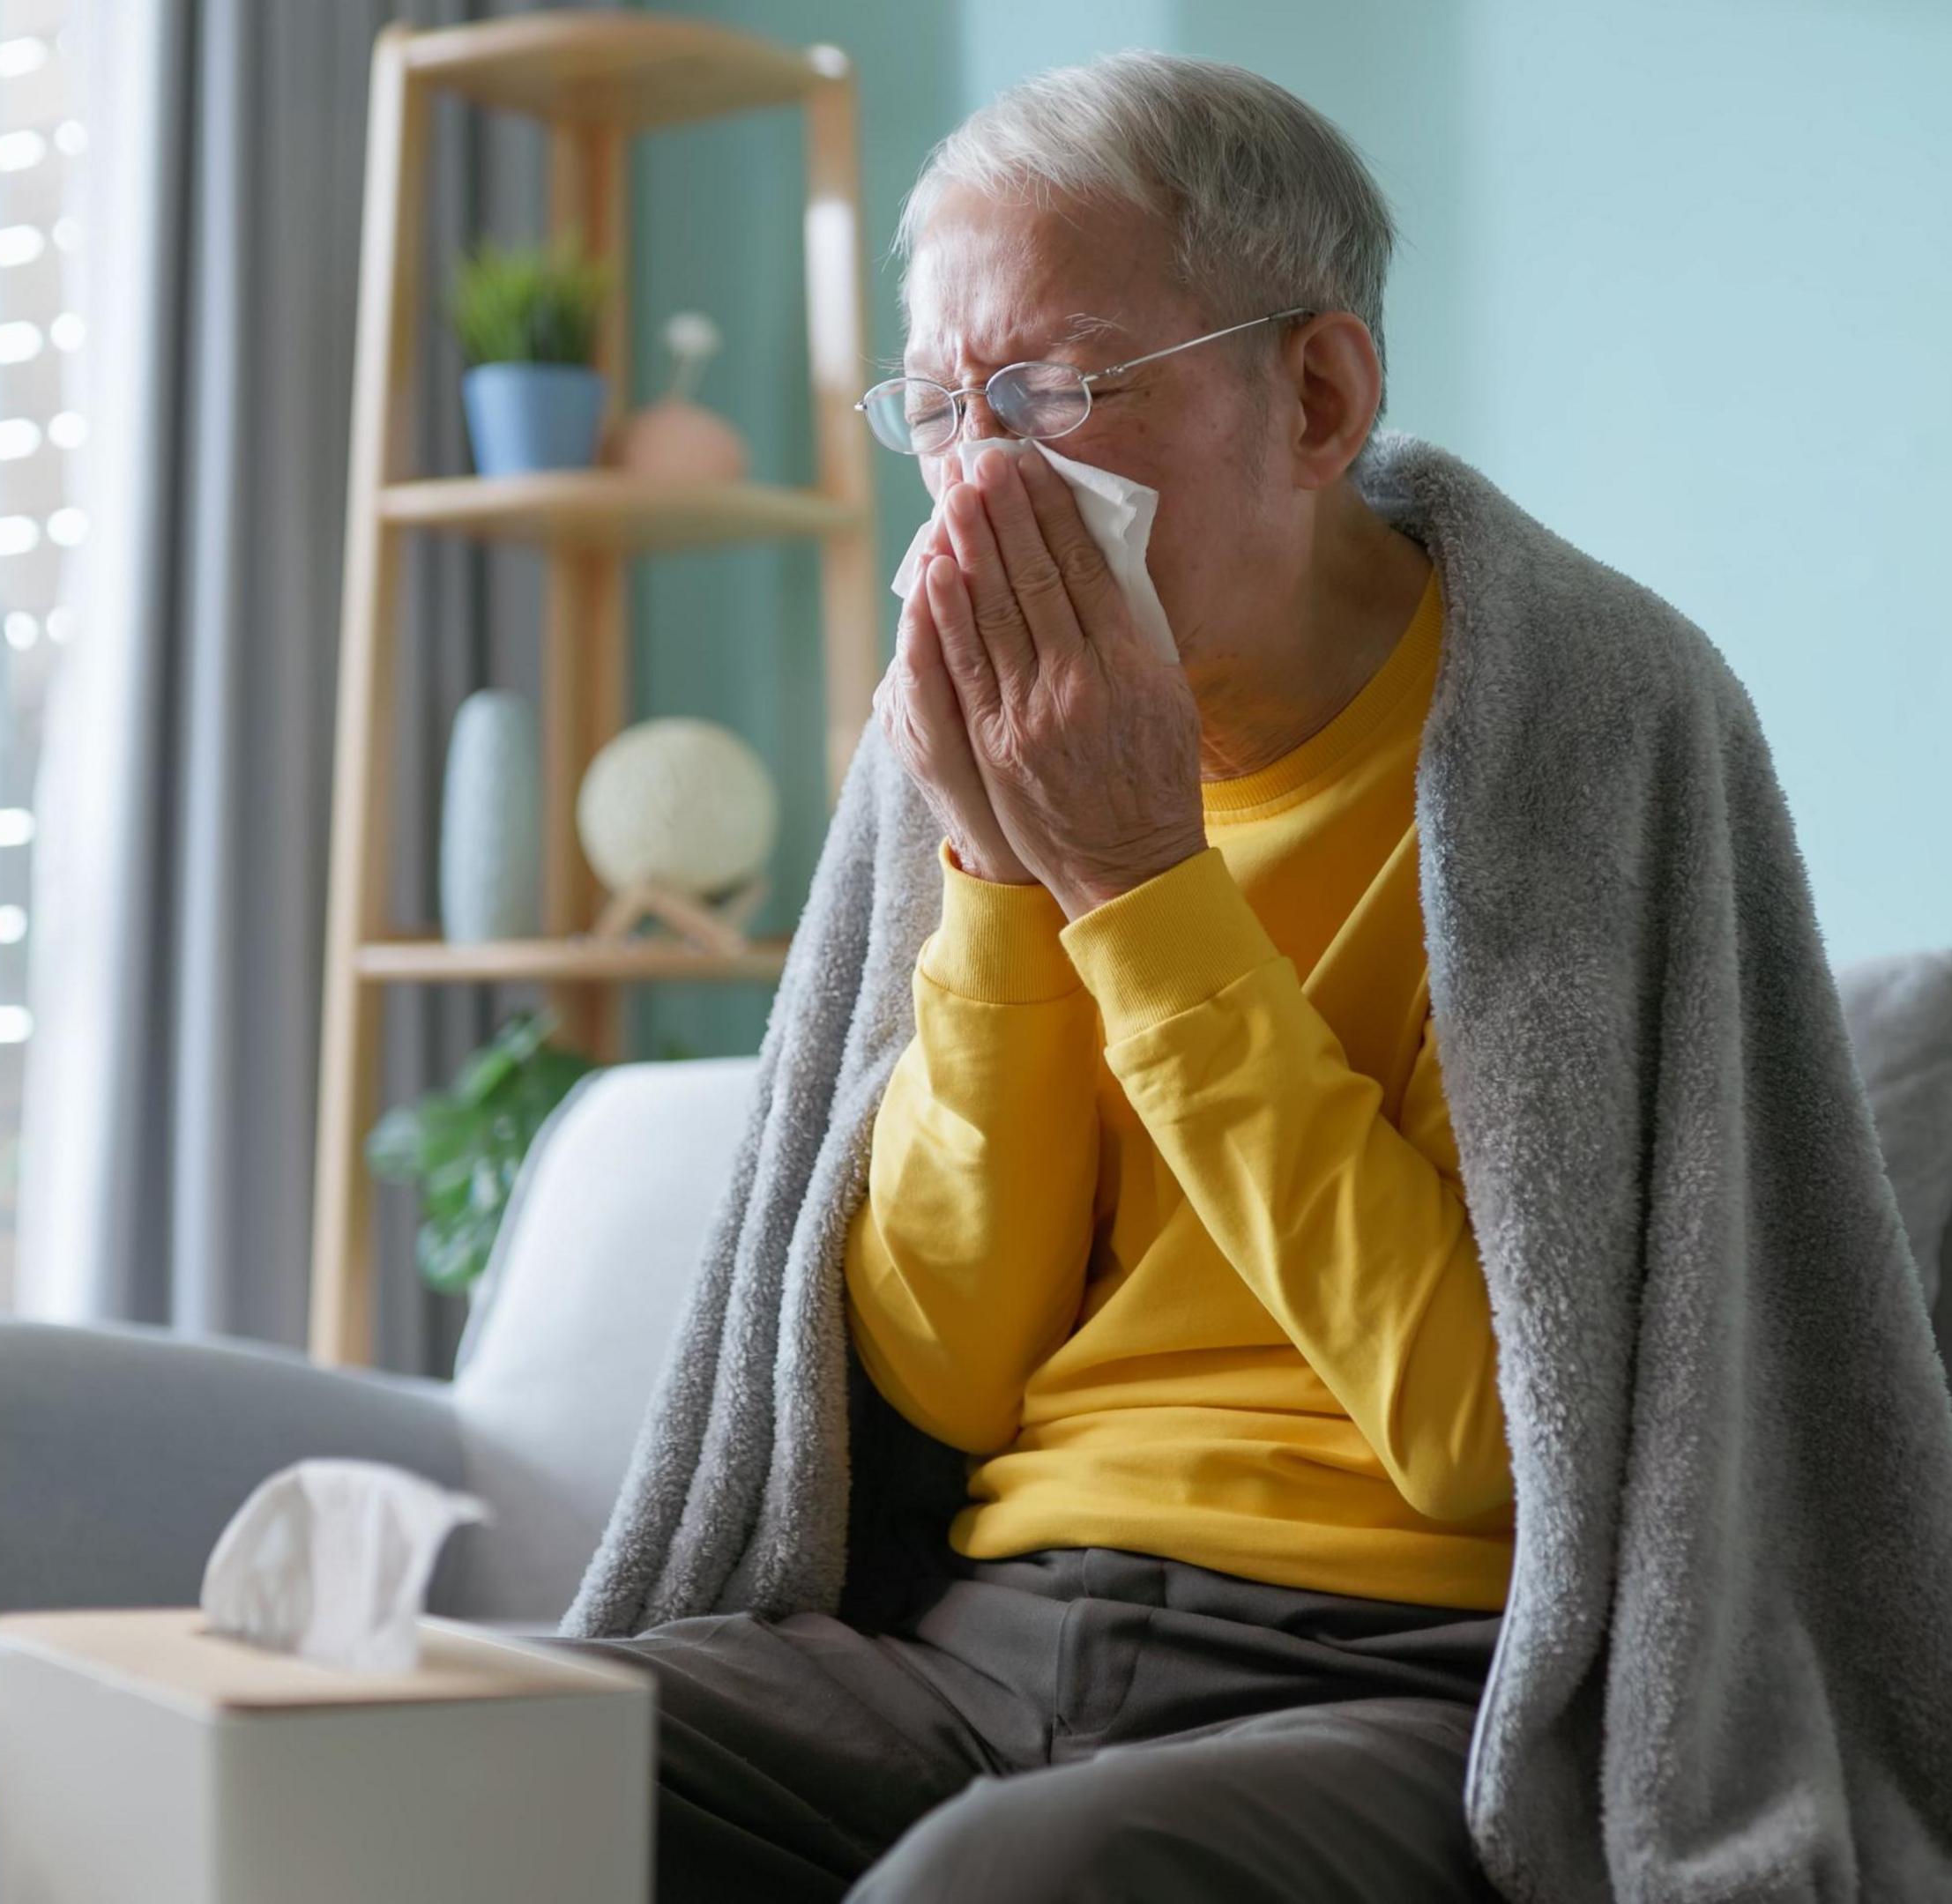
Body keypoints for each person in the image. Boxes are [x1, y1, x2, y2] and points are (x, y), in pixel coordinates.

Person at [539, 51, 1510, 1903]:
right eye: (942, 405)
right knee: (441, 1769)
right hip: (979, 1644)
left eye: (1053, 392)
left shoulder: (1552, 757)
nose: (983, 475)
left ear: (1316, 397)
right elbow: (947, 1384)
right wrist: (999, 870)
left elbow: (1483, 1441)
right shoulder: (965, 766)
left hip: (1385, 1685)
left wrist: (1141, 888)